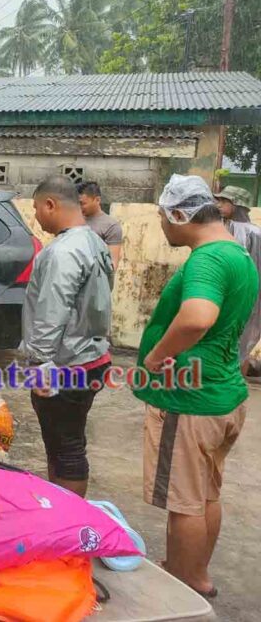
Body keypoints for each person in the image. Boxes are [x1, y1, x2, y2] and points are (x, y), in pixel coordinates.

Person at [137, 175, 258, 599]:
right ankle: (194, 572)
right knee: (206, 493)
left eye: (162, 218)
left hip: (189, 400)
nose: (162, 227)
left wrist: (156, 358)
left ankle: (184, 582)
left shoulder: (206, 259)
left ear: (179, 214)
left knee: (183, 499)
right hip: (223, 394)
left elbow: (197, 317)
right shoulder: (238, 255)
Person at [21, 175, 113, 498]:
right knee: (61, 444)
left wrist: (40, 362)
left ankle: (69, 526)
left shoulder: (64, 251)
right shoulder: (93, 242)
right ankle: (58, 514)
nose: (37, 217)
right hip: (92, 355)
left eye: (36, 209)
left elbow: (52, 310)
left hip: (65, 363)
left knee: (67, 448)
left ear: (51, 204)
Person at [215, 185, 261, 374]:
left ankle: (232, 387)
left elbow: (235, 266)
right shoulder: (237, 229)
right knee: (238, 343)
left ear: (237, 204)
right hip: (244, 296)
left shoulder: (245, 232)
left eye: (224, 201)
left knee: (236, 342)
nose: (219, 205)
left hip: (242, 296)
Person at [76, 181, 122, 270]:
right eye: (77, 203)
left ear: (97, 200)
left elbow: (112, 265)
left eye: (82, 203)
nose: (79, 207)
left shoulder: (111, 226)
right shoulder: (73, 220)